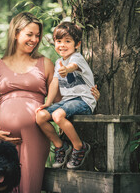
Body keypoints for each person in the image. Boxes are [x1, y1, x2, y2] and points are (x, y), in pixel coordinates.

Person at [0, 13, 99, 192]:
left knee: (30, 186)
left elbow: (63, 98)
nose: (34, 40)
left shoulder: (45, 63)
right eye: (30, 34)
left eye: (37, 35)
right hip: (3, 139)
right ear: (15, 33)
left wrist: (89, 94)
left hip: (35, 137)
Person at [36, 21, 97, 170]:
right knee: (40, 116)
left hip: (84, 100)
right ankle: (60, 145)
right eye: (59, 41)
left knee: (57, 116)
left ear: (77, 44)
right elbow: (54, 84)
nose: (62, 45)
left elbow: (73, 66)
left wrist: (67, 70)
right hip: (67, 101)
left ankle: (79, 146)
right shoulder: (58, 62)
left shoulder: (76, 58)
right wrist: (48, 103)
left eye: (67, 41)